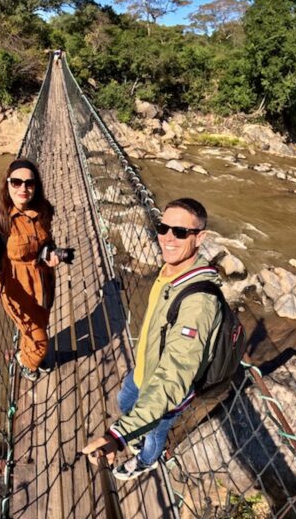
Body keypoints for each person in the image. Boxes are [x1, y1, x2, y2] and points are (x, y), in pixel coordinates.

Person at [81, 198, 223, 480]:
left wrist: (118, 435)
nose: (168, 237)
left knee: (156, 430)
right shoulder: (174, 269)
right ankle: (137, 430)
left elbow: (173, 378)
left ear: (200, 238)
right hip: (144, 369)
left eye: (181, 232)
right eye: (162, 227)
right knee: (125, 400)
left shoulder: (200, 303)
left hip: (167, 390)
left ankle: (147, 459)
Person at [0, 159, 62, 382]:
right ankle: (25, 362)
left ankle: (27, 352)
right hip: (17, 292)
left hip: (45, 285)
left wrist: (50, 253)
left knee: (38, 328)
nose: (23, 189)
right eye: (16, 182)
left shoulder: (44, 209)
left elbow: (46, 241)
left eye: (29, 183)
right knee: (41, 343)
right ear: (7, 185)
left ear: (36, 186)